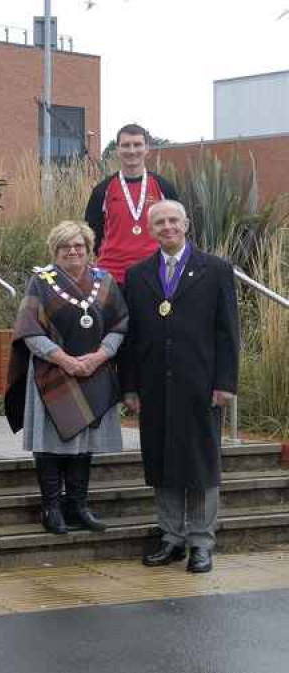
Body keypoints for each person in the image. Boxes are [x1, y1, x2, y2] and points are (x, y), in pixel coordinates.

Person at [120, 200, 239, 574]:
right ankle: (171, 537)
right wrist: (130, 386)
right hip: (155, 385)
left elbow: (228, 331)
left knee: (201, 464)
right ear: (150, 229)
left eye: (173, 220)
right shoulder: (137, 275)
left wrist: (225, 382)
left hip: (201, 384)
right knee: (162, 461)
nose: (167, 227)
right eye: (160, 222)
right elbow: (131, 337)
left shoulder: (216, 270)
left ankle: (201, 542)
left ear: (186, 224)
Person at [4, 221, 128, 534]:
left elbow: (121, 324)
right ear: (55, 251)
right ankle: (51, 508)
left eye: (78, 246)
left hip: (93, 372)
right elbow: (29, 330)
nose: (72, 251)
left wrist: (100, 356)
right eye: (65, 247)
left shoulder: (105, 280)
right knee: (49, 442)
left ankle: (77, 505)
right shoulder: (41, 281)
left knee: (85, 442)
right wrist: (65, 361)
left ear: (88, 249)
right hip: (52, 373)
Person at [84, 123, 179, 286]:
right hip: (111, 276)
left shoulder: (163, 187)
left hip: (154, 274)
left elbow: (176, 229)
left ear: (147, 148)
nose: (132, 150)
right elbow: (92, 233)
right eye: (126, 145)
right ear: (118, 150)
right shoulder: (102, 190)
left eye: (137, 145)